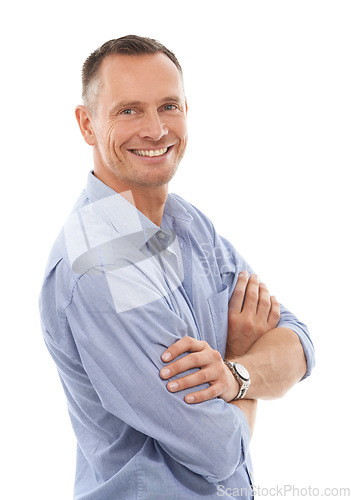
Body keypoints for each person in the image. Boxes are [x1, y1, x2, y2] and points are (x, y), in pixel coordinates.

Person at [39, 35, 315, 500]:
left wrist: (233, 373)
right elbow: (219, 449)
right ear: (87, 124)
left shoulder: (187, 223)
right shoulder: (101, 267)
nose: (155, 130)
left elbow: (299, 341)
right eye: (128, 111)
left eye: (168, 106)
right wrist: (250, 368)